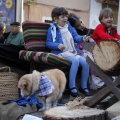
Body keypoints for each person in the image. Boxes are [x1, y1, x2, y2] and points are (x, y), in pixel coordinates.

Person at [46, 7, 91, 97]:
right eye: (62, 17)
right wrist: (57, 45)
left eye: (66, 16)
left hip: (72, 52)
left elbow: (76, 37)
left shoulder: (69, 26)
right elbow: (48, 43)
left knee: (86, 63)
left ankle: (83, 86)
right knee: (75, 61)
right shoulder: (52, 29)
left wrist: (83, 38)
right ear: (55, 19)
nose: (66, 18)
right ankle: (72, 87)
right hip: (61, 53)